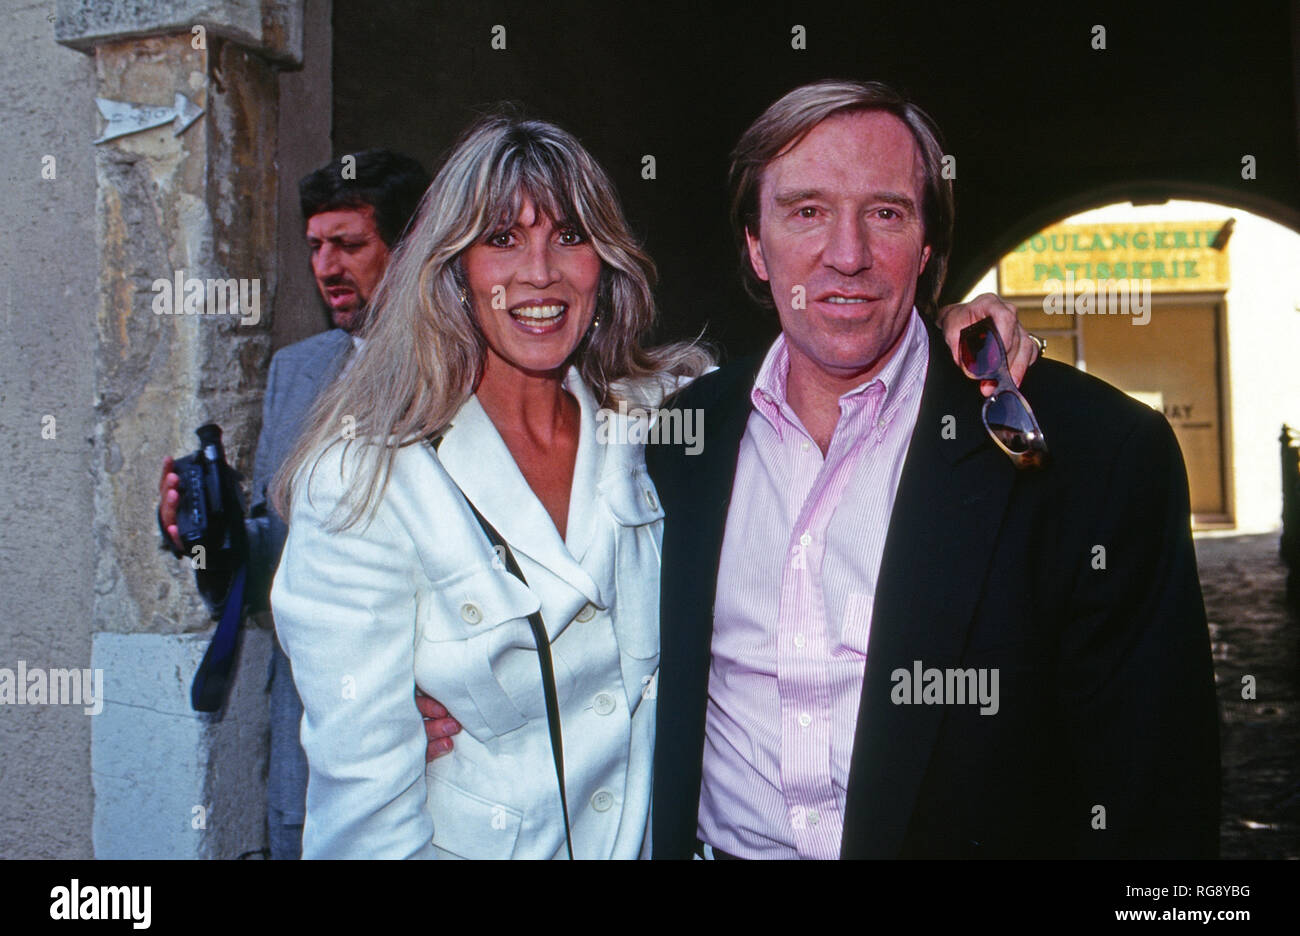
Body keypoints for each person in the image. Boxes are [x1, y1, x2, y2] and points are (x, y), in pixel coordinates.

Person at [268, 110, 1032, 859]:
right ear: (454, 270)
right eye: (501, 239)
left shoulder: (664, 420)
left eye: (569, 236)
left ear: (603, 263)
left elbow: (858, 356)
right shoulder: (362, 481)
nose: (540, 272)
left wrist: (954, 328)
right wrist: (380, 708)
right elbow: (362, 818)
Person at [647, 79, 1221, 859]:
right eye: (807, 211)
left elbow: (1155, 801)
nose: (846, 255)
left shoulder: (1094, 455)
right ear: (755, 242)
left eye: (884, 212)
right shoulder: (677, 441)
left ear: (926, 247)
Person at [156, 149, 434, 859]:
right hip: (308, 741)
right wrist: (204, 534)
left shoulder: (464, 368)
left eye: (349, 244)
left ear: (409, 247)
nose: (327, 266)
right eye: (315, 246)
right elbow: (269, 561)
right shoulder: (297, 370)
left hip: (431, 734)